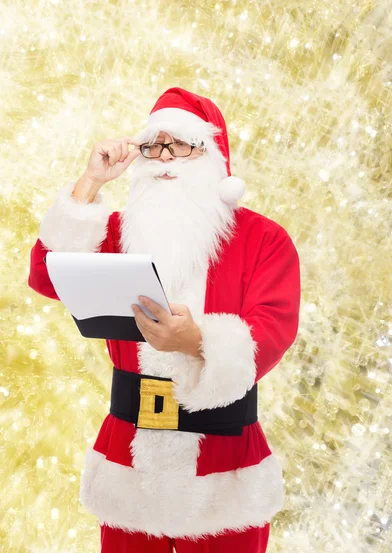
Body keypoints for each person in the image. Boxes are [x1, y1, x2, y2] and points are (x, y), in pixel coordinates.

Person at [27, 87, 301, 553]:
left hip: (224, 465)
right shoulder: (114, 231)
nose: (166, 158)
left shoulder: (264, 239)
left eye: (183, 144)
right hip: (131, 464)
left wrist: (198, 341)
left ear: (212, 155)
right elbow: (47, 276)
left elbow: (272, 332)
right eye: (154, 145)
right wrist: (89, 184)